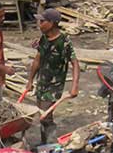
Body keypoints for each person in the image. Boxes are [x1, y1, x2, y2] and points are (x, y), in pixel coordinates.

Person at [26, 8, 79, 144]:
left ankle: (50, 145)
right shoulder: (44, 38)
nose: (39, 24)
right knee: (42, 114)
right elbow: (37, 59)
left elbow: (75, 63)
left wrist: (74, 86)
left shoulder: (64, 42)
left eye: (42, 21)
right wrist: (30, 80)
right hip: (42, 83)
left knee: (45, 116)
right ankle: (46, 143)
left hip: (54, 86)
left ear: (52, 23)